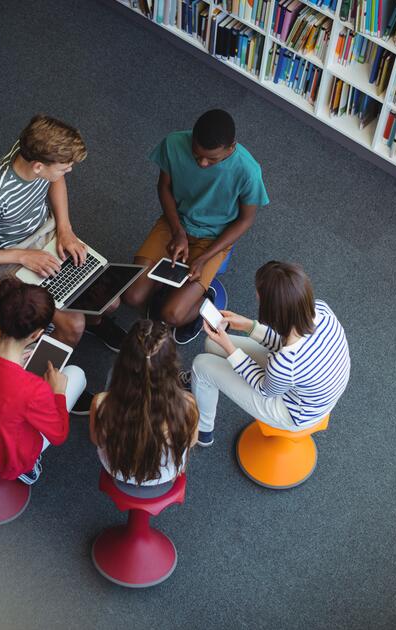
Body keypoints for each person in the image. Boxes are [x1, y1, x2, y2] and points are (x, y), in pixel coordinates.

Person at [0, 114, 126, 358]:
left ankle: (94, 323)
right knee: (74, 326)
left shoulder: (33, 151)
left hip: (45, 230)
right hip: (8, 254)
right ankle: (35, 373)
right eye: (65, 167)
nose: (69, 170)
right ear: (38, 167)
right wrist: (23, 256)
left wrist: (65, 229)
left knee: (111, 300)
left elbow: (57, 179)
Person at [123, 109, 269, 344]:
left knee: (172, 315)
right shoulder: (173, 143)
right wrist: (178, 231)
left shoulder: (248, 171)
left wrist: (204, 258)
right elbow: (164, 188)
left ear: (231, 148)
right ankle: (176, 289)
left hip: (214, 239)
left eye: (212, 159)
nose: (202, 163)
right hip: (176, 224)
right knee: (132, 295)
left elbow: (245, 220)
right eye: (196, 154)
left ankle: (204, 299)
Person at [188, 261, 351, 447]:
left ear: (272, 309)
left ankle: (203, 431)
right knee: (211, 344)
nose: (256, 297)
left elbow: (263, 388)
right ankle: (200, 384)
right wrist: (249, 326)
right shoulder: (321, 310)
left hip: (293, 412)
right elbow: (287, 340)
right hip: (312, 390)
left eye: (259, 297)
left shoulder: (285, 363)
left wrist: (229, 347)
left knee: (201, 365)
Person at [0, 278, 86, 485]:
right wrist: (57, 392)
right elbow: (58, 434)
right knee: (75, 374)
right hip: (9, 461)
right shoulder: (35, 390)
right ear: (38, 334)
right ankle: (27, 469)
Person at [89, 320, 199, 498]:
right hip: (166, 475)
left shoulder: (101, 402)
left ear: (124, 359)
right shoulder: (187, 404)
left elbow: (96, 439)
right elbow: (191, 442)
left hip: (117, 471)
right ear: (172, 364)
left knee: (110, 376)